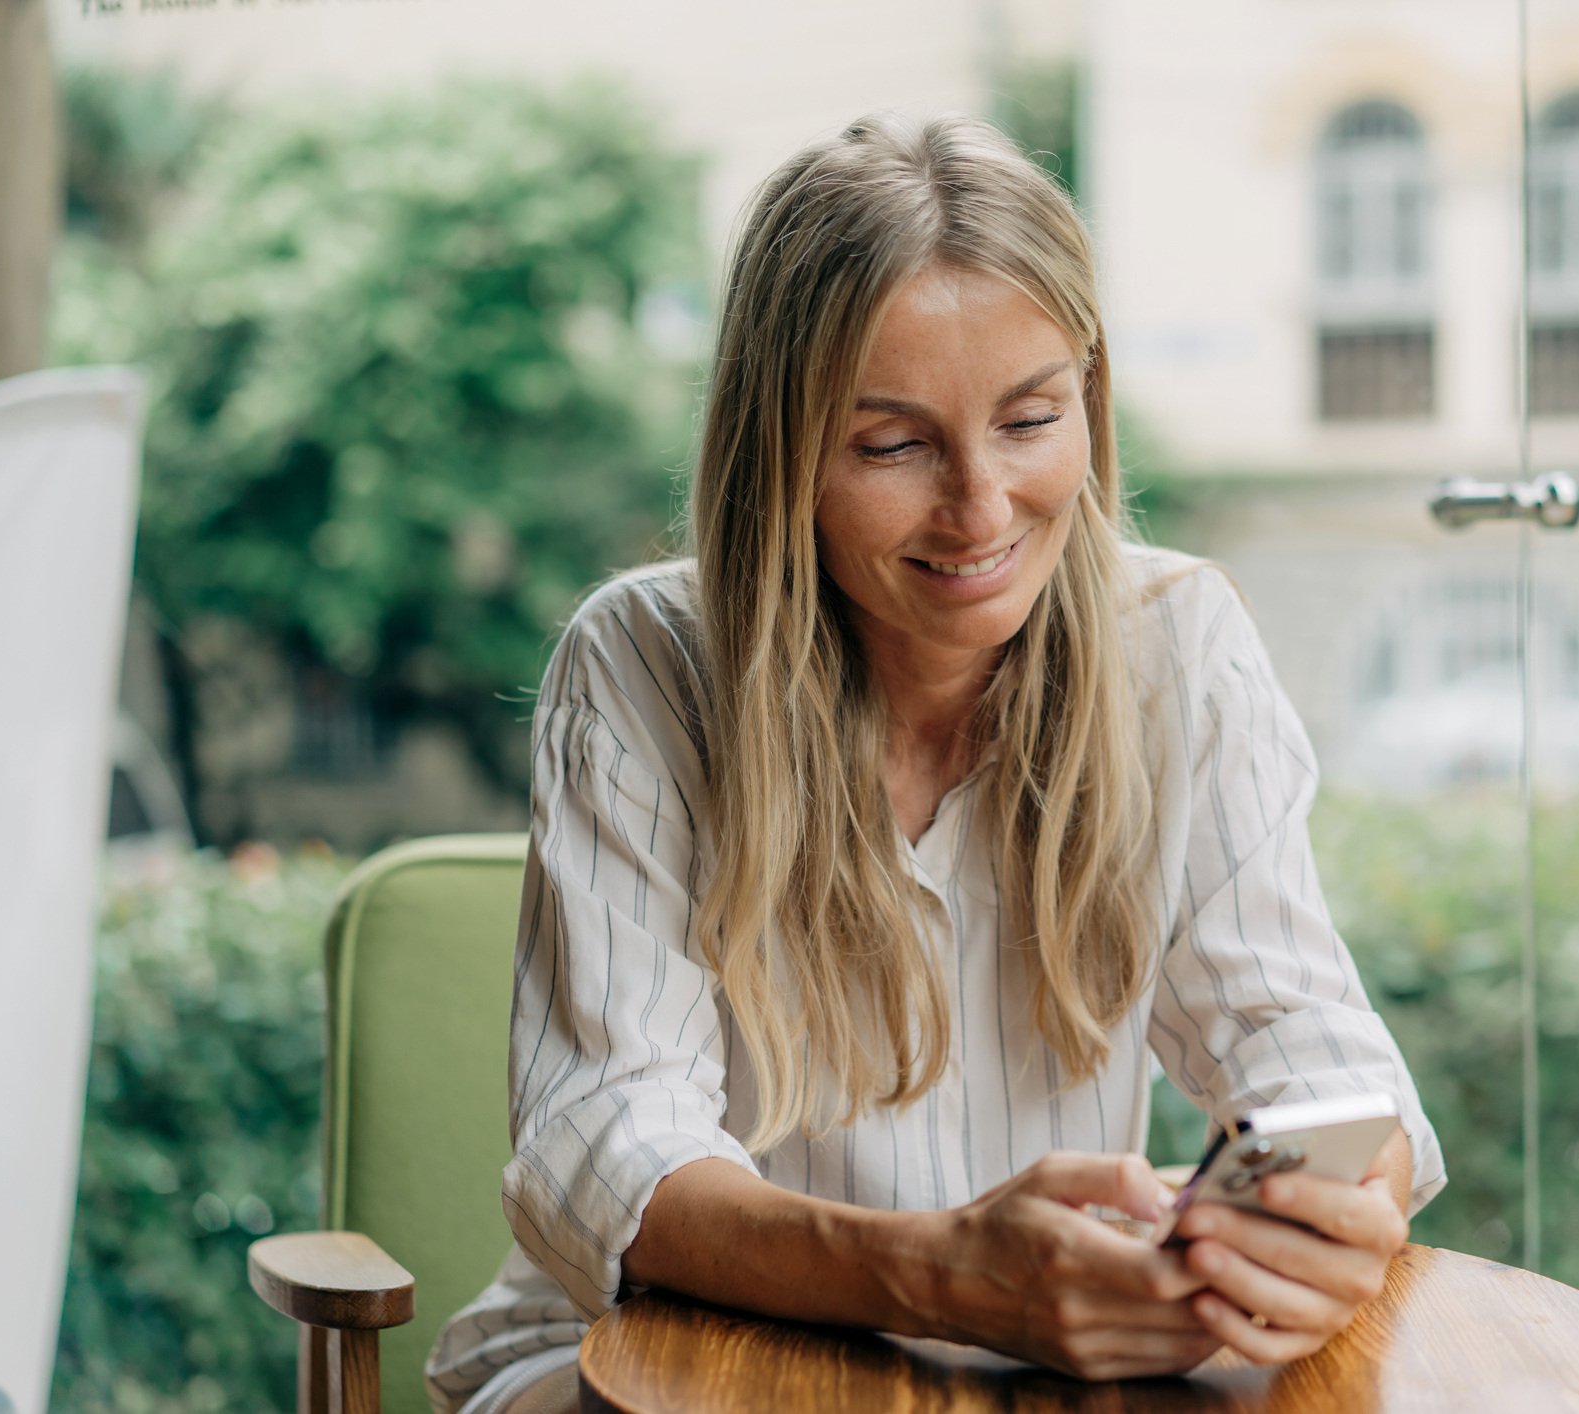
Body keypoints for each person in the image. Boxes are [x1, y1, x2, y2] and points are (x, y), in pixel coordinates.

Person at [425, 111, 1447, 1414]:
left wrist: (1332, 1200)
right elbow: (607, 1144)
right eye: (891, 445)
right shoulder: (642, 664)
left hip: (1029, 1377)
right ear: (780, 453)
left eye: (1030, 418)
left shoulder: (1176, 646)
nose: (980, 506)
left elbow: (1308, 1052)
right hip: (645, 1366)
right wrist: (939, 1274)